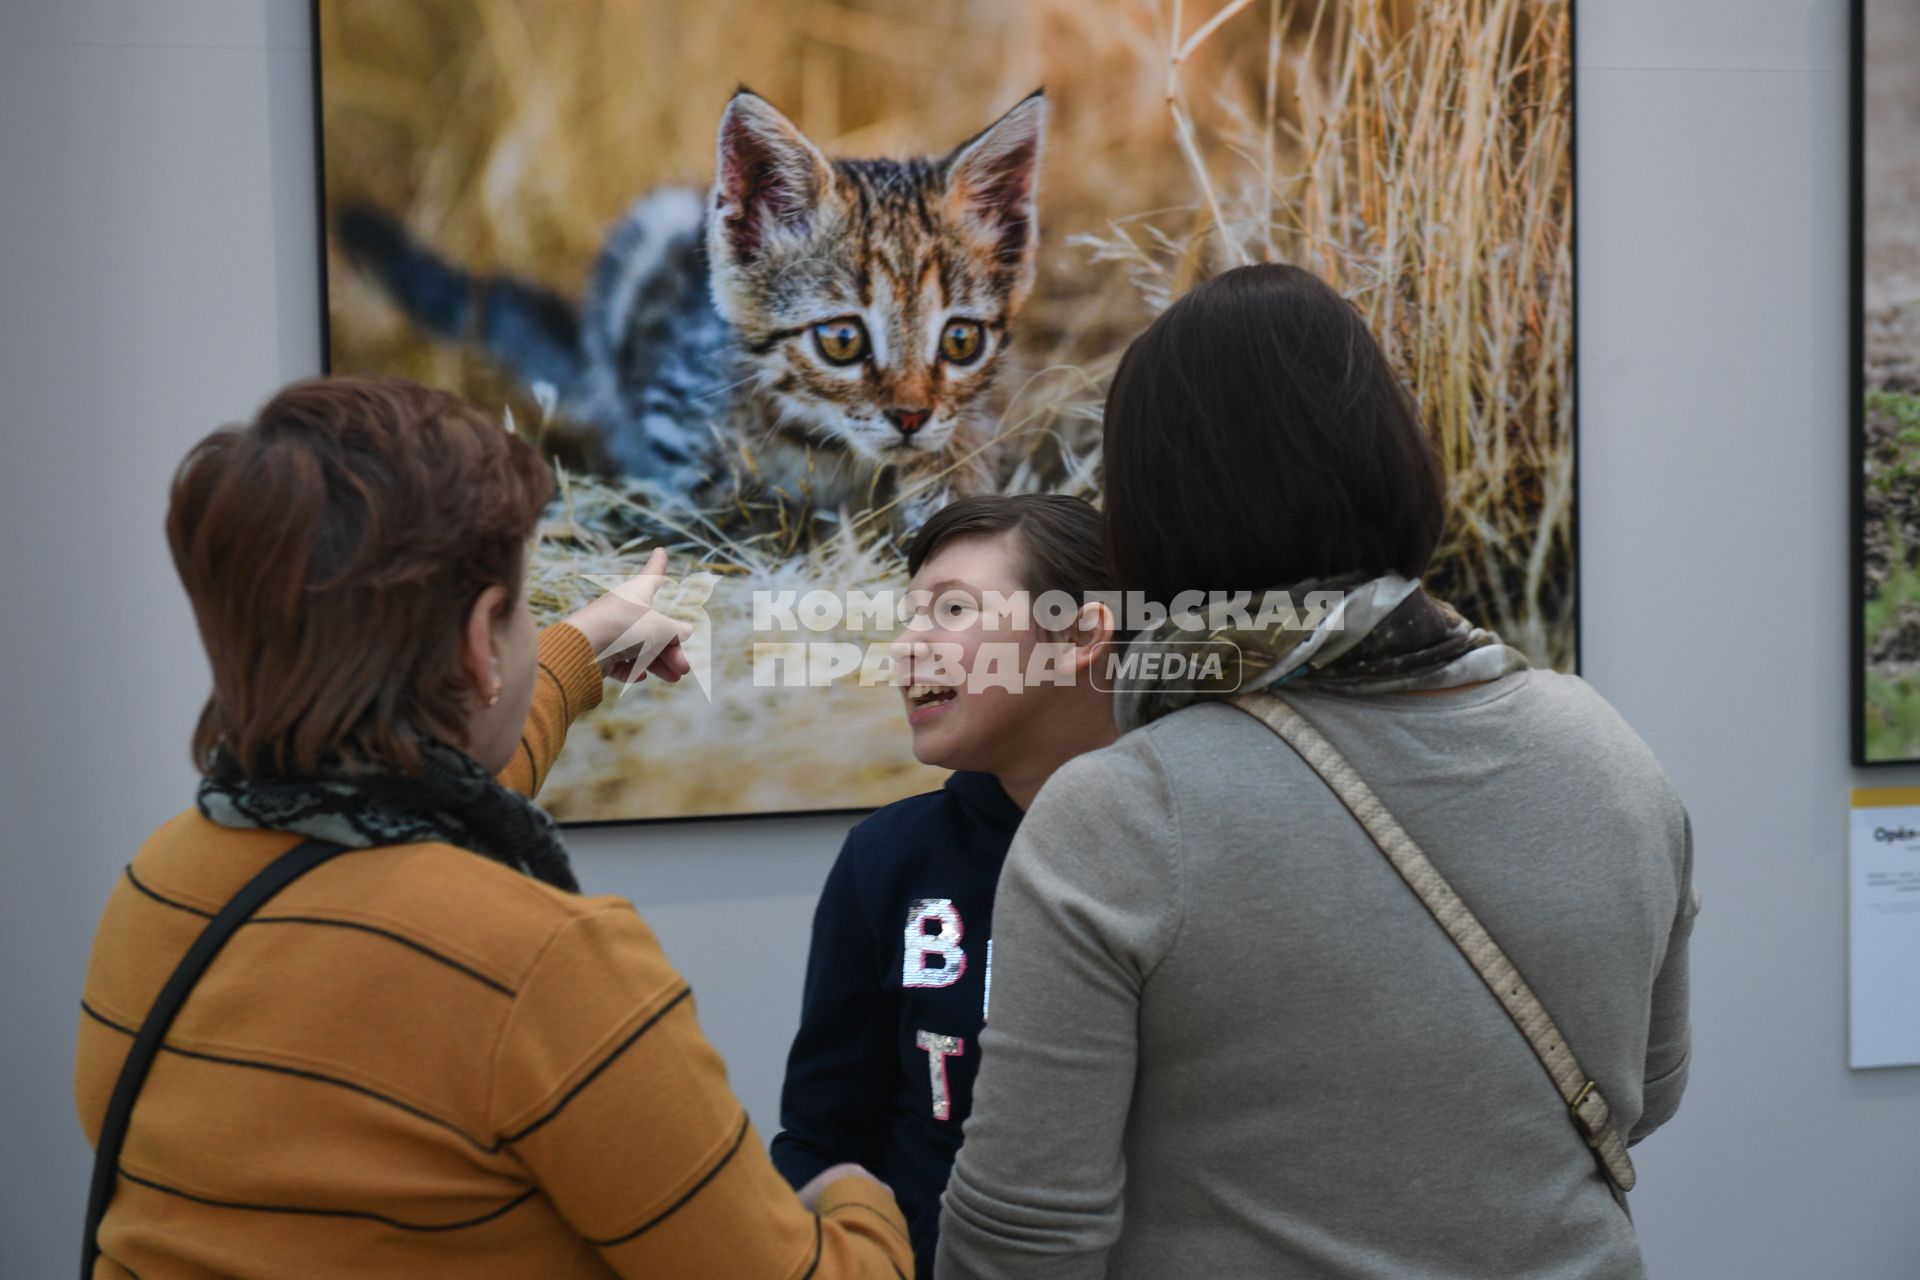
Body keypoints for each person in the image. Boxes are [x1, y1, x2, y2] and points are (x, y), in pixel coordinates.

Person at [936, 264, 1698, 1279]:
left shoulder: (1123, 814)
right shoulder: (1607, 745)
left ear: (1148, 513)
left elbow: (1024, 1236)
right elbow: (1647, 1087)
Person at [75, 377, 912, 1279]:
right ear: (481, 639)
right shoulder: (538, 968)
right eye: (518, 608)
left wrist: (580, 646)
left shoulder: (160, 885)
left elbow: (418, 791)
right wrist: (856, 1194)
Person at [770, 494, 1117, 1276]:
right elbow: (817, 1140)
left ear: (1080, 638)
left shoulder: (1191, 849)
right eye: (909, 615)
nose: (906, 650)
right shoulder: (888, 858)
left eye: (951, 610)